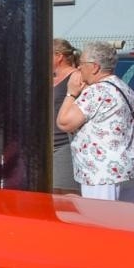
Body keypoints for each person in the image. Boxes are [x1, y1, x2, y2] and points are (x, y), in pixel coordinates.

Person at [56, 41, 134, 201]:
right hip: (130, 167)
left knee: (100, 219)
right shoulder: (124, 87)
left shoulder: (96, 91)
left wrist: (71, 93)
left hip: (103, 172)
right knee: (126, 220)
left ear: (95, 67)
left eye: (82, 64)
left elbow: (64, 123)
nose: (78, 68)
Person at [50, 39, 81, 192]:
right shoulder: (50, 78)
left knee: (63, 194)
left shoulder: (76, 78)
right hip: (47, 146)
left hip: (64, 144)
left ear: (58, 56)